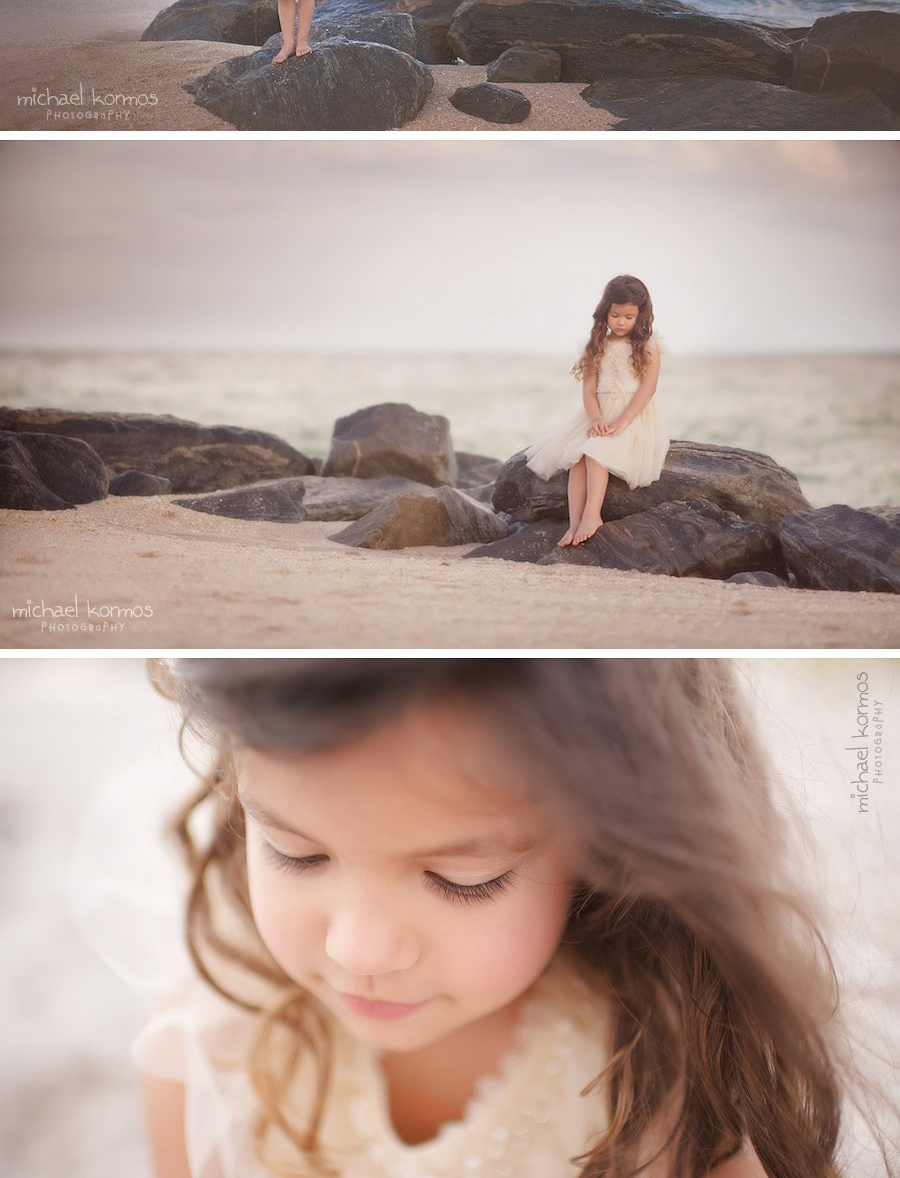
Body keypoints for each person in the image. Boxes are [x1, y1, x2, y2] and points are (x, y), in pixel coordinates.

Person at [130, 656, 858, 1178]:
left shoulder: (670, 1086)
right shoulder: (210, 1038)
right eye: (296, 854)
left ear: (606, 838)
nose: (360, 951)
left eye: (462, 879)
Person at [524, 274, 669, 546]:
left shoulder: (649, 345)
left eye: (629, 316)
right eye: (615, 315)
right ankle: (574, 523)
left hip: (632, 416)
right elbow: (589, 391)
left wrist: (622, 422)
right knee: (577, 458)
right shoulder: (597, 344)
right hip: (599, 414)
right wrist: (597, 418)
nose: (622, 322)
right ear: (606, 312)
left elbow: (648, 389)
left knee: (595, 451)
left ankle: (593, 515)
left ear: (641, 314)